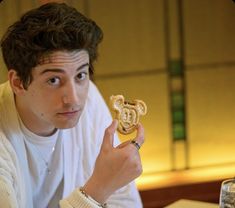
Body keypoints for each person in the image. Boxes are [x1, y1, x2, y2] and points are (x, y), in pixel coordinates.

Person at [0, 2, 145, 208]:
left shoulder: (89, 99)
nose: (74, 99)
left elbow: (125, 203)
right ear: (18, 82)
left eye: (80, 75)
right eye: (53, 80)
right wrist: (97, 190)